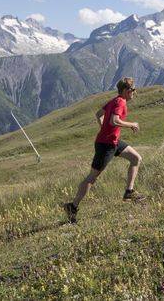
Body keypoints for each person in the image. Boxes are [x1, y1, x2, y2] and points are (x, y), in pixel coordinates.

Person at [63, 77, 144, 223]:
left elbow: (98, 114)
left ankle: (129, 192)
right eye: (132, 90)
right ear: (125, 91)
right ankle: (72, 206)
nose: (134, 92)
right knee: (92, 178)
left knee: (136, 158)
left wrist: (104, 129)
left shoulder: (115, 100)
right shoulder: (120, 102)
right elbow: (114, 120)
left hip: (112, 142)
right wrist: (131, 124)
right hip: (106, 145)